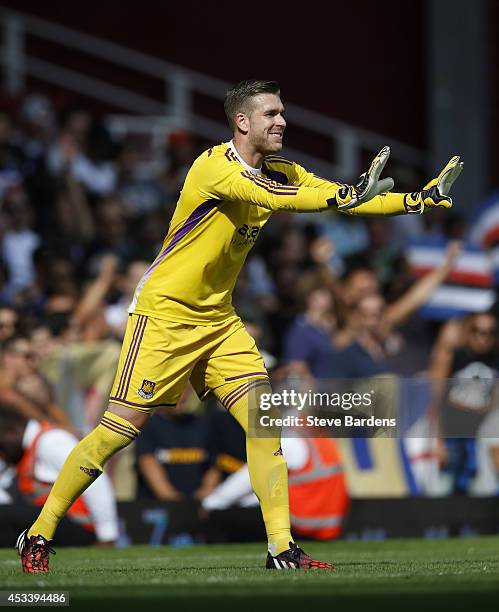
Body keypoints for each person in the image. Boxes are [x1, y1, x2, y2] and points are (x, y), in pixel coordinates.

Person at [18, 79, 463, 573]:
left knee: (263, 422)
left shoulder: (281, 169)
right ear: (242, 122)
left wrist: (416, 201)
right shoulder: (215, 167)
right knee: (118, 431)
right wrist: (347, 193)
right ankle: (38, 533)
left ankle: (281, 550)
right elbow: (293, 199)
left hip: (219, 319)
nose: (283, 122)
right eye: (271, 113)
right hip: (166, 315)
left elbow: (333, 195)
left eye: (283, 112)